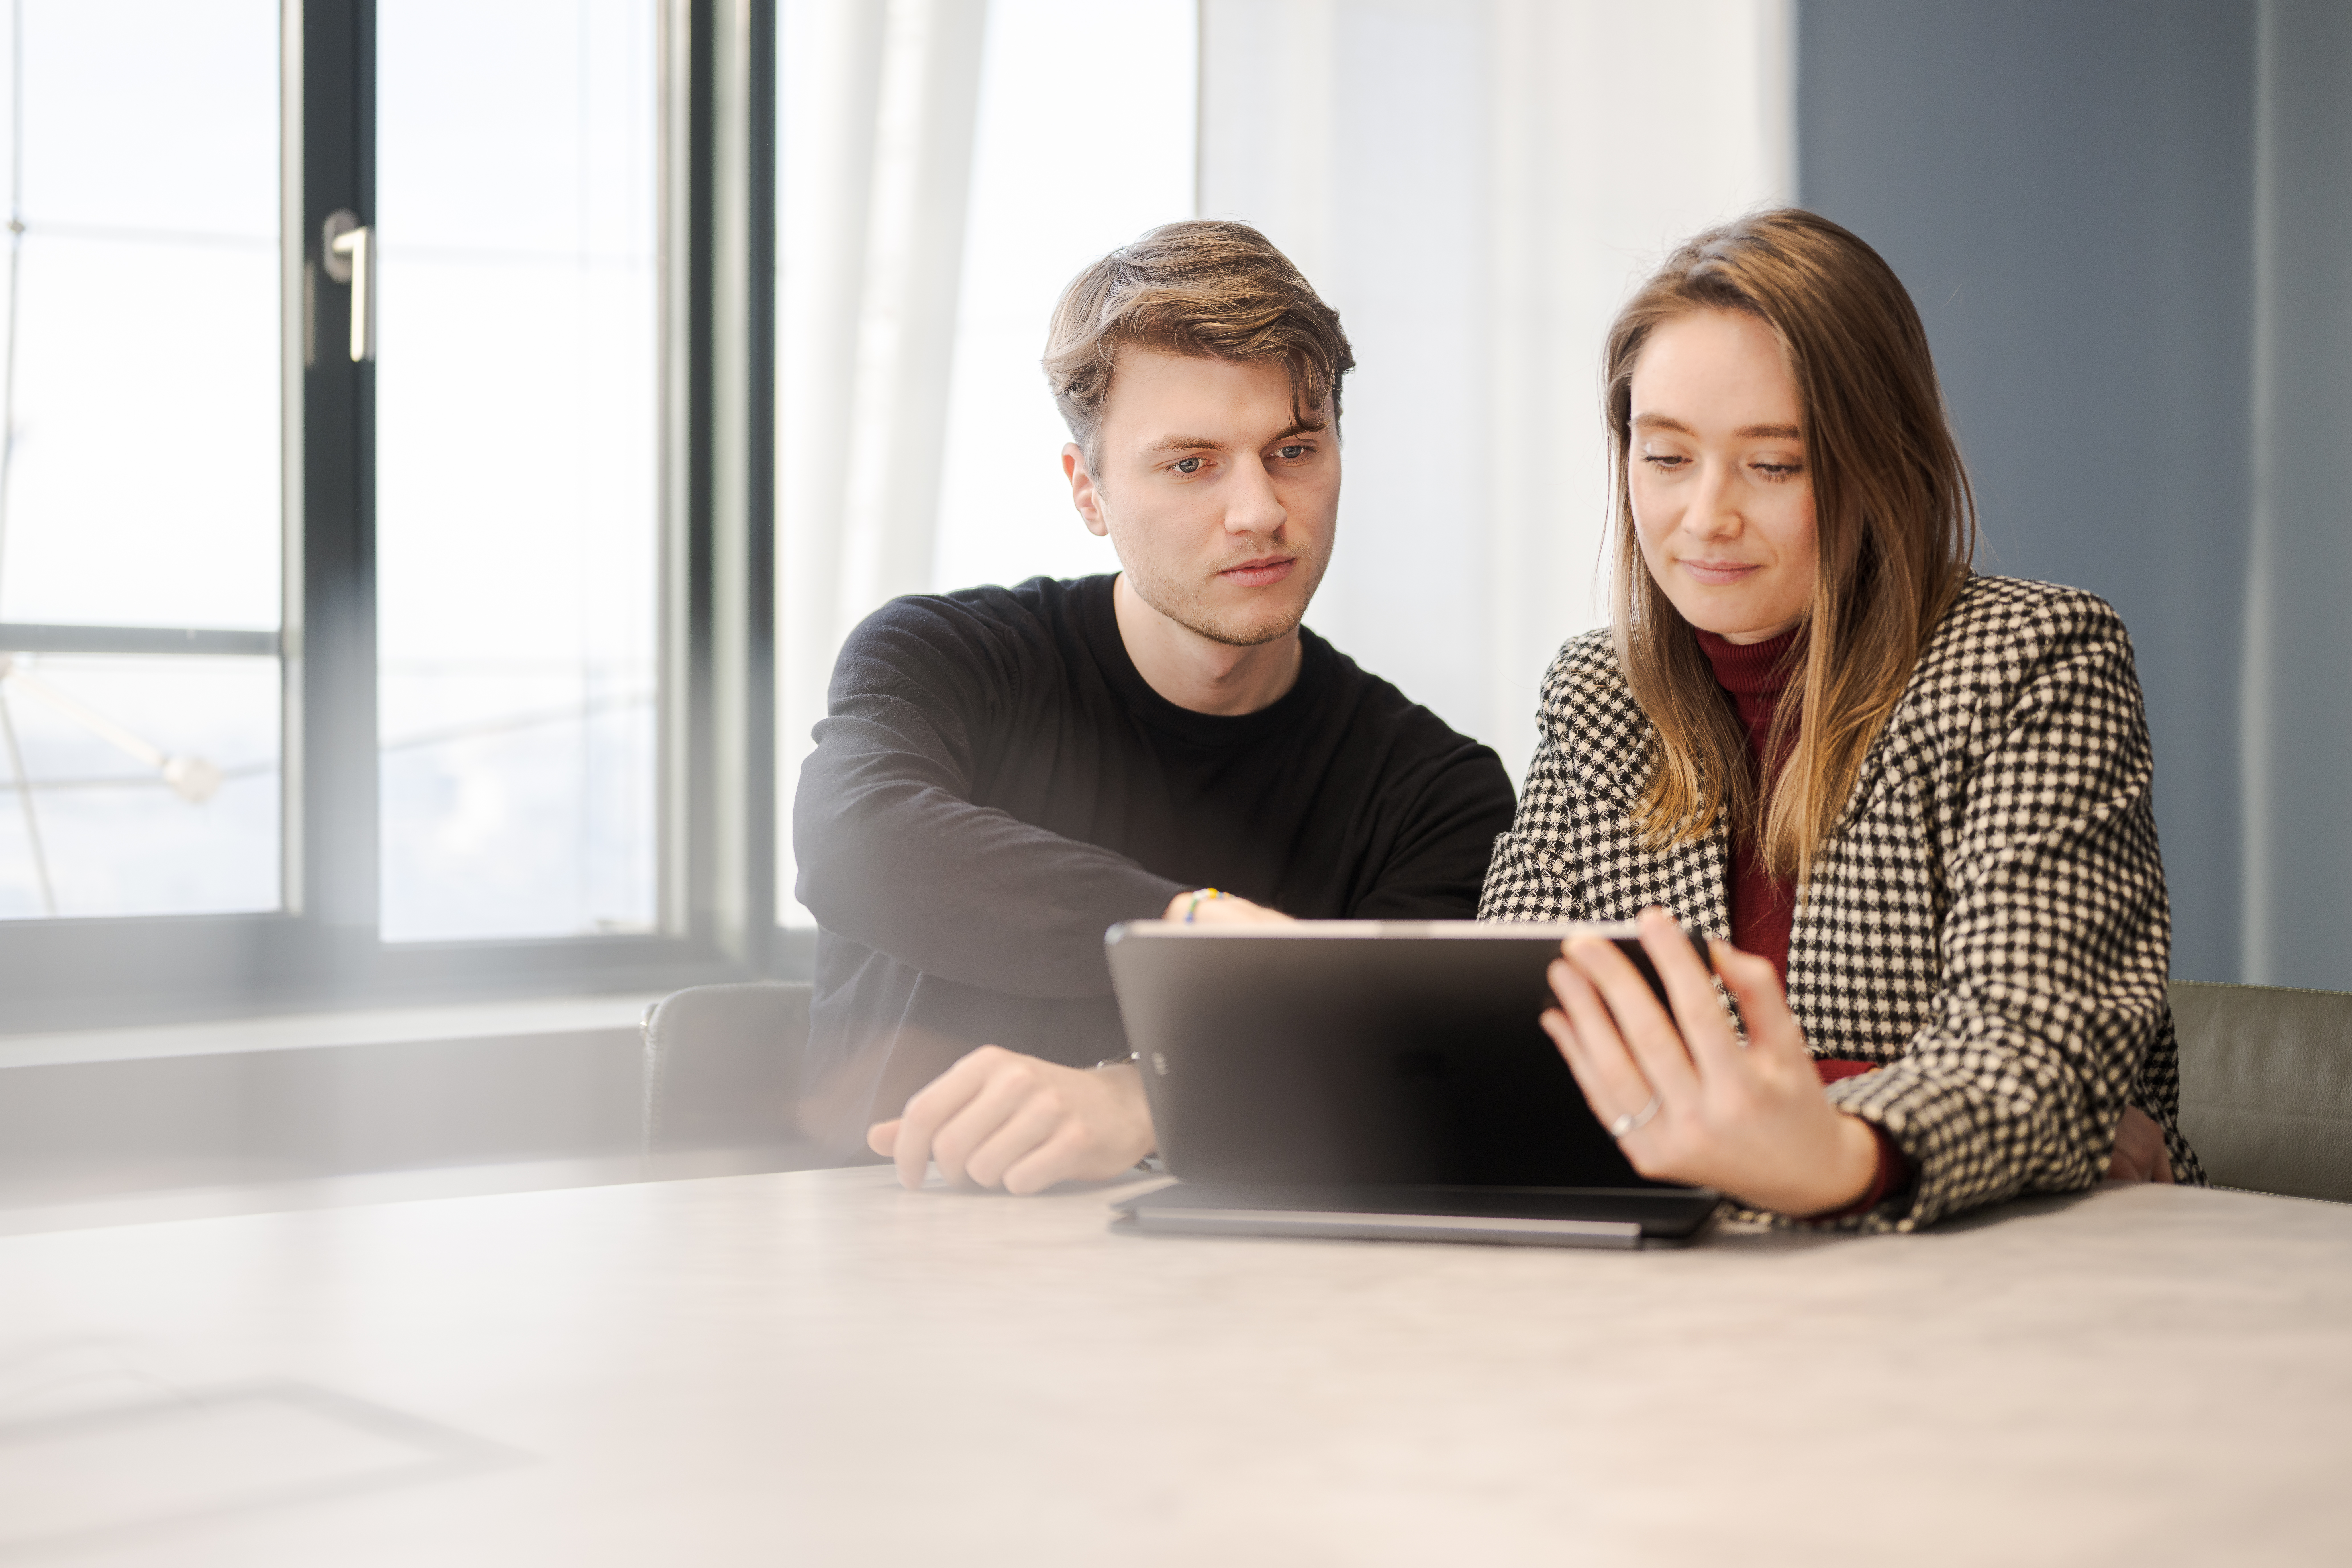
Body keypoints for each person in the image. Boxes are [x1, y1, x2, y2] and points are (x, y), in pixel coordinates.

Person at [1481, 208, 2201, 1229]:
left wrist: (1812, 1141)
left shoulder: (2032, 659)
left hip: (2006, 1277)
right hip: (1688, 1285)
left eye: (1775, 465)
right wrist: (1844, 1099)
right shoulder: (1599, 695)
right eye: (1667, 458)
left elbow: (2033, 1056)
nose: (1706, 517)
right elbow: (1517, 1051)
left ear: (1880, 462)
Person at [795, 220, 1517, 1194]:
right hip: (890, 1253)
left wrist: (1143, 1101)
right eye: (1191, 464)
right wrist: (1193, 930)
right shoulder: (946, 660)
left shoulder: (1437, 791)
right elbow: (857, 844)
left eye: (1294, 449)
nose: (1260, 510)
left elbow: (1404, 1064)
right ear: (1087, 490)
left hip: (1260, 1298)